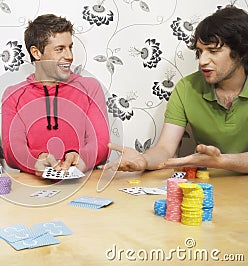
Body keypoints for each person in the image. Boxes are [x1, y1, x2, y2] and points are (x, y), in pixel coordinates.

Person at [105, 6, 248, 174]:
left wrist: (221, 161)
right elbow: (165, 149)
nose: (202, 61)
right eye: (200, 51)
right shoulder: (187, 88)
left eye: (213, 51)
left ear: (241, 52)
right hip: (208, 186)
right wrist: (143, 160)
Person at [2, 14, 110, 176]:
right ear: (36, 53)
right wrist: (35, 161)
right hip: (32, 187)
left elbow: (101, 144)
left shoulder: (89, 87)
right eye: (60, 49)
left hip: (83, 184)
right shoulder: (13, 95)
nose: (69, 56)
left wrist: (79, 157)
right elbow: (12, 150)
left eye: (70, 47)